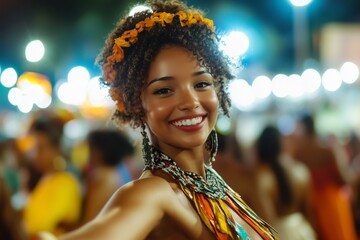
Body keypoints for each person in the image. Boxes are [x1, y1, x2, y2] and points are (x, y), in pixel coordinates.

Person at [47, 1, 278, 239]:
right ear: (138, 105)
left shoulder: (217, 185)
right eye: (164, 90)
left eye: (201, 84)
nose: (190, 102)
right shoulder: (154, 192)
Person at [292, 113, 358, 240]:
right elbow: (343, 179)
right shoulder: (328, 150)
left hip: (310, 204)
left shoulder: (298, 154)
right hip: (331, 204)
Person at [23, 112, 82, 238]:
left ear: (57, 149)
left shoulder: (64, 182)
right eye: (33, 148)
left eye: (40, 148)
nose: (34, 155)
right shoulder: (46, 177)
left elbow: (42, 227)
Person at [254, 125, 317, 240]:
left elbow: (265, 220)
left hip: (277, 234)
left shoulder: (260, 178)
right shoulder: (301, 171)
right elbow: (309, 211)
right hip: (303, 231)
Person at [80, 129, 136, 224]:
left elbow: (89, 219)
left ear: (99, 151)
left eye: (91, 148)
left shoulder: (103, 176)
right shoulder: (117, 172)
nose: (89, 154)